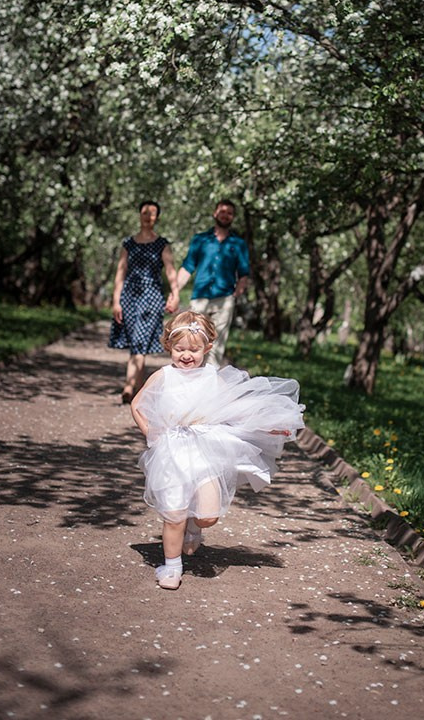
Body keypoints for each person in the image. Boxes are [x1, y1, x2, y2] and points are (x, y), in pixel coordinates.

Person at [130, 311, 304, 590]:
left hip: (206, 452)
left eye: (194, 350)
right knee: (174, 513)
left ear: (207, 348)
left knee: (208, 515)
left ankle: (195, 526)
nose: (186, 355)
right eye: (179, 349)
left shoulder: (212, 376)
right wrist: (152, 433)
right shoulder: (164, 376)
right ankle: (172, 567)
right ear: (169, 347)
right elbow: (137, 405)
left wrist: (269, 426)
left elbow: (237, 411)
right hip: (173, 452)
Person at [109, 200, 180, 404]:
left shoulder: (162, 244)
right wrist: (116, 300)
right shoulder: (128, 244)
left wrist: (174, 294)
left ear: (157, 217)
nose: (148, 216)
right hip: (129, 297)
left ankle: (129, 387)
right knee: (136, 344)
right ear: (139, 214)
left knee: (139, 343)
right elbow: (120, 272)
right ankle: (139, 391)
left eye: (153, 213)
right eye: (145, 212)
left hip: (151, 298)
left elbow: (170, 270)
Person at [175, 199, 250, 366]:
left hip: (224, 299)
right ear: (215, 213)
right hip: (200, 298)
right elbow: (188, 267)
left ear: (233, 217)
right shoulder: (200, 240)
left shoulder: (239, 244)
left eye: (229, 213)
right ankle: (190, 380)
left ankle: (208, 386)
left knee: (216, 346)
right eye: (222, 211)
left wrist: (235, 295)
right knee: (193, 341)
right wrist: (174, 292)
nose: (225, 215)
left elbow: (244, 274)